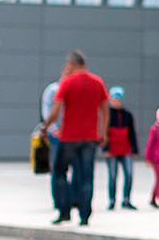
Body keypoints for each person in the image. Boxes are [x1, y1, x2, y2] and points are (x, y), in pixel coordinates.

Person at [43, 50, 110, 227]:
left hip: (69, 137)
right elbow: (105, 109)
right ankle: (85, 215)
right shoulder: (97, 82)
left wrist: (45, 126)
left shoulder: (67, 82)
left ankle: (64, 211)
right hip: (90, 138)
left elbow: (55, 111)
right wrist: (102, 132)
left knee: (59, 172)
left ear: (71, 63)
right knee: (87, 176)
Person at [104, 88, 139, 211]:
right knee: (113, 176)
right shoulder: (107, 114)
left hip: (125, 149)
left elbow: (132, 133)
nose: (115, 102)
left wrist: (135, 149)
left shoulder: (127, 115)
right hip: (112, 149)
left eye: (117, 99)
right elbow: (104, 132)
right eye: (113, 99)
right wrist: (105, 148)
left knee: (129, 174)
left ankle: (126, 199)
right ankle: (112, 200)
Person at [40, 76, 67, 219]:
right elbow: (48, 111)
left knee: (67, 170)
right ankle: (58, 200)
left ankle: (68, 199)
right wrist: (52, 129)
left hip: (69, 135)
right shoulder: (53, 90)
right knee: (57, 168)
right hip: (56, 135)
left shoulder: (70, 89)